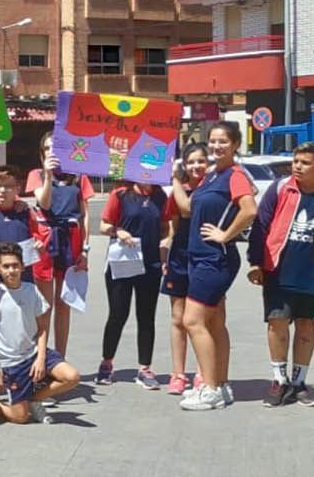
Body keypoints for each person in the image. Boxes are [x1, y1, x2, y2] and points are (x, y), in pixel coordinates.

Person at [247, 142, 314, 408]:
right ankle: (278, 380)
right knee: (277, 323)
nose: (297, 166)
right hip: (279, 271)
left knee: (306, 327)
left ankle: (299, 382)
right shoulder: (280, 188)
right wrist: (256, 261)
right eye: (296, 161)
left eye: (305, 162)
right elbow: (261, 224)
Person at [180, 122, 257, 411]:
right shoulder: (214, 175)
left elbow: (250, 209)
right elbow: (190, 208)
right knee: (213, 322)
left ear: (236, 144)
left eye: (223, 141)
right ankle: (221, 385)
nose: (216, 147)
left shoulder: (235, 176)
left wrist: (226, 234)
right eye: (212, 141)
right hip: (200, 257)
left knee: (192, 321)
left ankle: (210, 388)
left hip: (215, 258)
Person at [0, 243, 81, 424]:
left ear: (23, 267)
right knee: (20, 417)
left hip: (34, 353)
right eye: (6, 266)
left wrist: (40, 358)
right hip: (13, 363)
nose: (11, 270)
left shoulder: (31, 291)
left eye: (15, 266)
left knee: (72, 377)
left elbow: (42, 328)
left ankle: (34, 398)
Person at [0, 164, 49, 397]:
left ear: (17, 189)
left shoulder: (26, 212)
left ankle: (30, 379)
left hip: (23, 283)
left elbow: (38, 244)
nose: (2, 191)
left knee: (27, 329)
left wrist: (39, 247)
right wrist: (1, 254)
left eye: (8, 187)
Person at [96, 179, 168, 389]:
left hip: (150, 263)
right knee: (118, 314)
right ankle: (107, 363)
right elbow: (103, 225)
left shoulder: (160, 195)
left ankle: (144, 368)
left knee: (146, 317)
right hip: (122, 262)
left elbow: (165, 227)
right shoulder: (121, 193)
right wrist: (118, 231)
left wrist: (164, 248)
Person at [27, 132, 93, 357]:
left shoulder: (79, 177)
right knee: (44, 304)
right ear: (41, 153)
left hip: (71, 239)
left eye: (56, 148)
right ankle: (41, 355)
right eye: (47, 148)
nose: (52, 152)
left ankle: (60, 357)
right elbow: (44, 202)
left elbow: (85, 215)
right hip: (45, 240)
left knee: (64, 303)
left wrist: (85, 249)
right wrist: (47, 174)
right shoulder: (36, 175)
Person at [162, 144, 208, 395]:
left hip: (207, 257)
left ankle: (203, 372)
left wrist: (175, 180)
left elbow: (190, 208)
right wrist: (167, 253)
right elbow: (175, 223)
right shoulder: (179, 191)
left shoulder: (214, 188)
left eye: (201, 161)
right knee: (178, 318)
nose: (196, 166)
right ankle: (178, 373)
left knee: (203, 319)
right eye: (191, 162)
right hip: (181, 256)